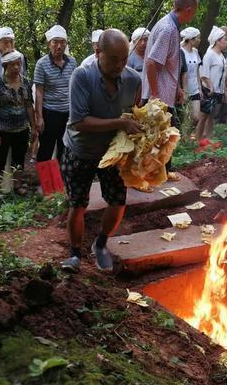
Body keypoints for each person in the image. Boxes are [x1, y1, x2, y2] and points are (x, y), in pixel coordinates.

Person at [59, 29, 142, 273]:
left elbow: (135, 114)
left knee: (117, 202)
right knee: (78, 204)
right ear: (98, 53)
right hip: (80, 149)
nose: (120, 65)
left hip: (114, 153)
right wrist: (121, 123)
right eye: (114, 59)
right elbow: (80, 121)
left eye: (124, 59)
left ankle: (101, 243)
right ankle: (74, 253)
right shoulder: (81, 76)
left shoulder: (134, 80)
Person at [142, 0, 198, 180]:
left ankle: (163, 173)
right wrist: (156, 95)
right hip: (158, 98)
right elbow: (151, 63)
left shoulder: (172, 27)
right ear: (189, 10)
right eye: (195, 11)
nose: (194, 15)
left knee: (166, 138)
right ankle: (152, 178)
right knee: (157, 140)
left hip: (166, 94)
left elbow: (167, 65)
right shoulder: (167, 29)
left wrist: (178, 89)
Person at [0, 50, 37, 195]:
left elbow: (29, 105)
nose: (16, 67)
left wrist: (33, 127)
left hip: (21, 128)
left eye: (18, 64)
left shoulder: (25, 82)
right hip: (3, 130)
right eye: (12, 65)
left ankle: (18, 186)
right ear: (5, 66)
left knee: (19, 159)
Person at [33, 25, 77, 163]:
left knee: (65, 148)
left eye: (62, 42)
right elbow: (39, 92)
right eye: (55, 42)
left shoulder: (72, 62)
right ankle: (46, 183)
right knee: (46, 149)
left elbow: (75, 88)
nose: (59, 46)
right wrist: (39, 117)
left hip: (68, 113)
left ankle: (62, 181)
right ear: (49, 44)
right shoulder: (42, 64)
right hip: (50, 112)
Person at [196, 27, 227, 142]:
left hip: (217, 90)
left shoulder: (221, 57)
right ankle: (198, 140)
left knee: (211, 116)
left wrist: (223, 91)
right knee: (204, 115)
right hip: (209, 90)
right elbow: (203, 73)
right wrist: (210, 85)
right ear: (218, 41)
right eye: (224, 39)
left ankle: (208, 138)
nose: (226, 42)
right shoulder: (209, 55)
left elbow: (223, 75)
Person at [180, 27, 202, 130]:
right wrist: (183, 91)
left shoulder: (196, 52)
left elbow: (197, 71)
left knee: (196, 117)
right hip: (184, 89)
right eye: (198, 38)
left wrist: (200, 88)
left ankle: (188, 134)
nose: (199, 40)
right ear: (191, 39)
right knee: (185, 117)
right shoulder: (180, 52)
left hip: (195, 89)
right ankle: (184, 140)